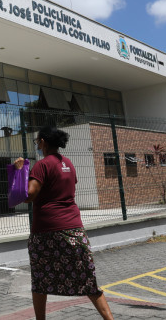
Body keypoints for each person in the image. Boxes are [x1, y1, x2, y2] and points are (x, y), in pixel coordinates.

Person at [14, 127, 114, 320]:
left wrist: (19, 173)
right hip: (74, 230)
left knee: (41, 279)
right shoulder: (68, 163)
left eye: (37, 142)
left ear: (43, 142)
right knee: (87, 279)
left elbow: (29, 196)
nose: (37, 145)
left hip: (46, 232)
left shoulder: (42, 165)